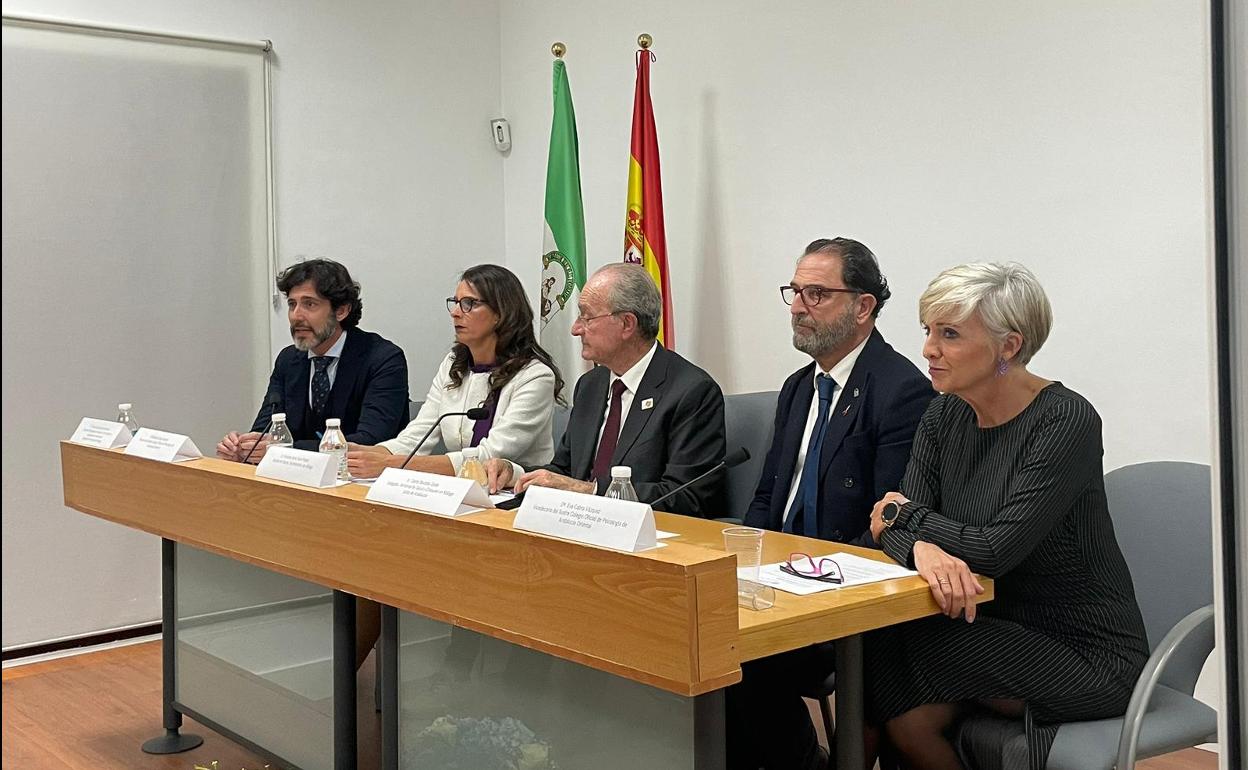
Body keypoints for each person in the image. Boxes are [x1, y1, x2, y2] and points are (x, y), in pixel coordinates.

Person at [866, 262, 1148, 770]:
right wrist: (917, 542)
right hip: (985, 621)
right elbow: (896, 524)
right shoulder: (944, 413)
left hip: (1082, 652)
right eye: (928, 331)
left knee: (879, 651)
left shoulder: (1065, 419)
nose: (929, 349)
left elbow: (995, 550)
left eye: (949, 334)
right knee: (906, 716)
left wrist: (898, 516)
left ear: (1009, 347)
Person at [728, 237, 934, 770]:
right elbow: (770, 496)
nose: (797, 306)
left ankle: (805, 761)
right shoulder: (799, 387)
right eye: (794, 291)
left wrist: (811, 576)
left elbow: (892, 524)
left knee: (732, 658)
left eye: (816, 293)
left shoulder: (901, 390)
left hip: (842, 589)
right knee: (694, 631)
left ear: (863, 307)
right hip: (779, 576)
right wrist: (742, 563)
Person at [485, 263, 727, 519]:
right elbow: (564, 471)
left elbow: (688, 497)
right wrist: (516, 474)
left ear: (626, 324)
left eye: (586, 317)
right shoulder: (591, 385)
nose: (575, 329)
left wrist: (590, 492)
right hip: (573, 529)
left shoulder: (691, 391)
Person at [345, 264, 562, 479]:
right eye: (456, 303)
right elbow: (417, 437)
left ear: (501, 313)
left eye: (469, 303)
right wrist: (362, 453)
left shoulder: (535, 376)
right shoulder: (453, 364)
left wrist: (389, 464)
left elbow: (489, 456)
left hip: (514, 494)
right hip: (463, 489)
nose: (456, 313)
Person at [217, 258, 409, 463]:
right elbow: (266, 427)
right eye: (292, 304)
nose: (296, 316)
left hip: (361, 482)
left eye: (309, 304)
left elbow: (370, 442)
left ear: (341, 310)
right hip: (297, 482)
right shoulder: (288, 360)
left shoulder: (383, 359)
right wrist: (245, 446)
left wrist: (284, 450)